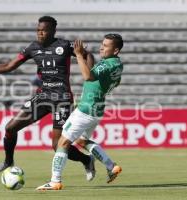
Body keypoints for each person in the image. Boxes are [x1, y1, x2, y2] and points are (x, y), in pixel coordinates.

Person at [0, 16, 96, 181]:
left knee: (57, 146)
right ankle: (8, 162)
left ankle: (87, 160)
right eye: (38, 30)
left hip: (61, 99)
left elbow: (87, 54)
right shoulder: (33, 48)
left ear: (53, 30)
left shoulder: (64, 45)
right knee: (10, 128)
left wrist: (90, 73)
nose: (40, 33)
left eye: (44, 30)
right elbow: (8, 66)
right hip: (42, 96)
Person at [36, 33, 124, 190]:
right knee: (82, 141)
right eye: (102, 44)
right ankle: (111, 166)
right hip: (96, 109)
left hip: (86, 109)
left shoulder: (107, 64)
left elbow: (88, 76)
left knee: (62, 143)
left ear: (116, 50)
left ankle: (55, 180)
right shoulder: (117, 65)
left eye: (106, 45)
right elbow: (106, 78)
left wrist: (78, 55)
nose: (101, 47)